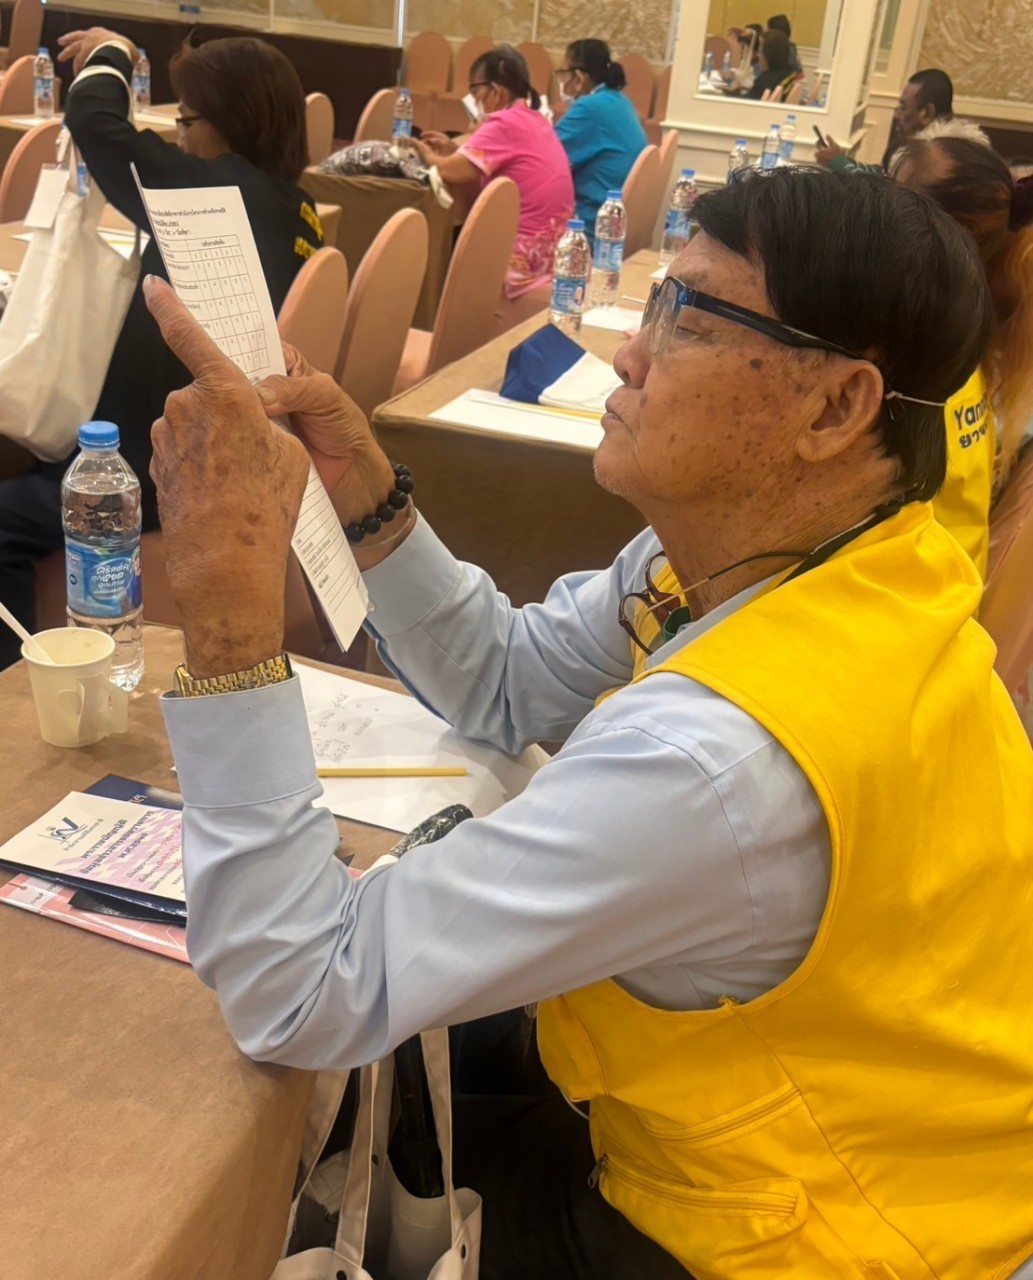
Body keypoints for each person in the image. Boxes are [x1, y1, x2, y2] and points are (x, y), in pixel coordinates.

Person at [148, 167, 1033, 1278]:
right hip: (891, 1147)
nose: (629, 353)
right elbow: (506, 682)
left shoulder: (716, 759)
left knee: (260, 1157)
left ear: (834, 407)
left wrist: (229, 614)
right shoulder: (830, 559)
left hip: (813, 1239)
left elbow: (296, 987)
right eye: (657, 300)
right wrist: (364, 491)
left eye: (689, 318)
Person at [0, 28, 323, 670]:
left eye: (187, 121)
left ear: (231, 122)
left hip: (155, 468)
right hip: (226, 446)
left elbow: (93, 120)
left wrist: (114, 52)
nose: (178, 138)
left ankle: (18, 693)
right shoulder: (295, 207)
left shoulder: (215, 197)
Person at [891, 135, 1033, 573]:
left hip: (921, 590)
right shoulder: (967, 335)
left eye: (890, 200)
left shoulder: (912, 359)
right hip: (955, 578)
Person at [418, 45, 573, 302]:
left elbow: (450, 171)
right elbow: (493, 161)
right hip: (553, 255)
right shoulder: (533, 118)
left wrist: (422, 152)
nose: (474, 100)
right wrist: (454, 150)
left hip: (520, 259)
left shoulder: (503, 122)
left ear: (496, 92)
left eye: (475, 91)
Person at [553, 39, 648, 240]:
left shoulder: (589, 107)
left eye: (563, 74)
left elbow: (545, 156)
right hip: (615, 222)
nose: (562, 82)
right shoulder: (621, 101)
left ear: (579, 77)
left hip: (589, 225)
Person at [816, 66, 953, 171]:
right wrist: (841, 160)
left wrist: (837, 162)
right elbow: (882, 174)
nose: (897, 115)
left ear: (927, 113)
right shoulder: (930, 148)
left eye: (904, 107)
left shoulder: (934, 160)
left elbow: (882, 188)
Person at [742, 29, 795, 100]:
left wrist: (733, 92)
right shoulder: (789, 72)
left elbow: (745, 102)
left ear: (769, 55)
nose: (758, 55)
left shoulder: (765, 81)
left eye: (760, 52)